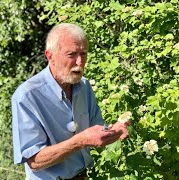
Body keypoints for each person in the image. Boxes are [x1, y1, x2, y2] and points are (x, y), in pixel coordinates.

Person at [11, 23, 130, 180]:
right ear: (50, 55)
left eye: (83, 54)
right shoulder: (27, 96)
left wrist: (115, 131)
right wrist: (80, 141)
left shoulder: (84, 87)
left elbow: (97, 130)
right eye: (71, 54)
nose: (79, 62)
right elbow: (34, 160)